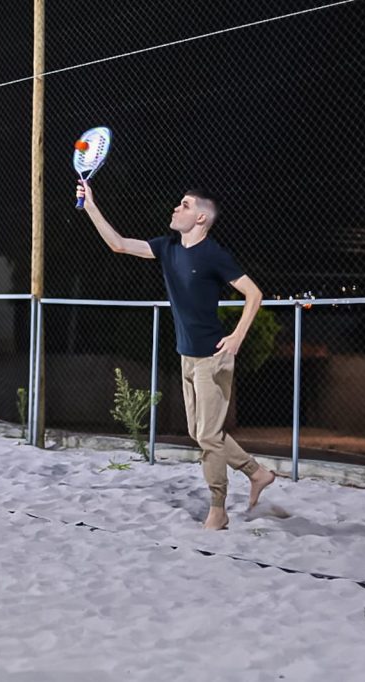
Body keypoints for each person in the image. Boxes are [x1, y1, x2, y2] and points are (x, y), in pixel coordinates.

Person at [77, 180, 276, 530]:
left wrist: (237, 337)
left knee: (209, 437)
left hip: (213, 357)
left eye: (184, 205)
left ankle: (218, 509)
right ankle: (257, 473)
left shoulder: (213, 254)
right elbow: (118, 244)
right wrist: (91, 205)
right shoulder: (167, 247)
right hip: (187, 355)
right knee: (200, 433)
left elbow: (254, 294)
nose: (176, 208)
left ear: (201, 218)